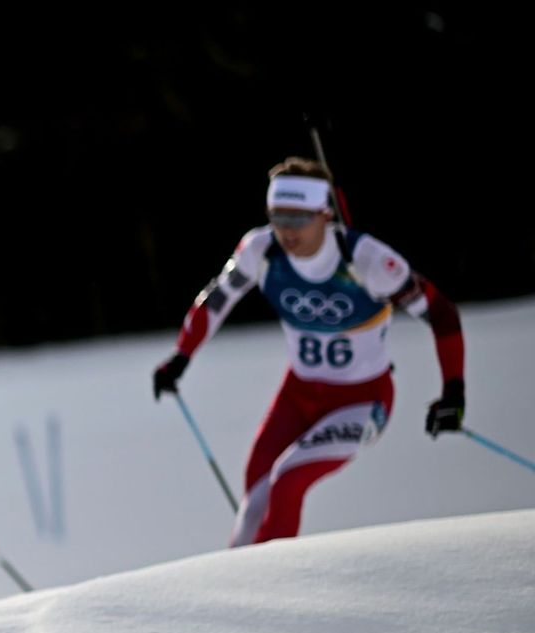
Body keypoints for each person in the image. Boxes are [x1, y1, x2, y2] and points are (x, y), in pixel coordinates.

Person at [152, 157, 465, 546]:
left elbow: (443, 314)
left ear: (324, 214)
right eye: (278, 217)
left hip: (361, 401)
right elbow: (216, 300)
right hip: (297, 396)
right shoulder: (261, 249)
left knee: (288, 480)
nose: (287, 231)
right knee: (255, 496)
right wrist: (181, 357)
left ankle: (277, 589)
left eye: (299, 219)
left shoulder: (365, 260)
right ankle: (233, 591)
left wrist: (453, 391)